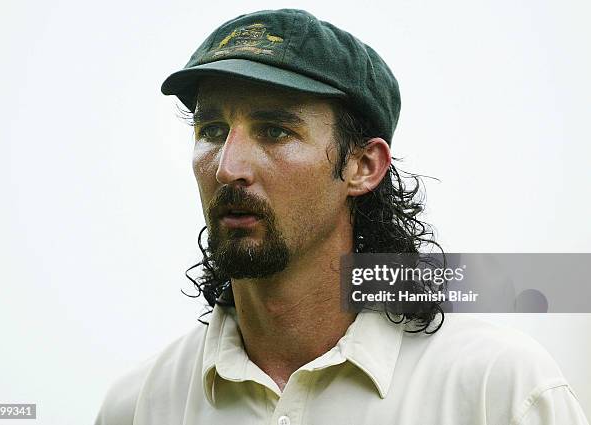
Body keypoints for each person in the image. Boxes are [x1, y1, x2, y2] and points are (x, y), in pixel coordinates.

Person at [95, 9, 589, 425]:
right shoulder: (137, 406)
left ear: (363, 166)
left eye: (274, 131)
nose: (228, 167)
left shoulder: (499, 390)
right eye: (212, 128)